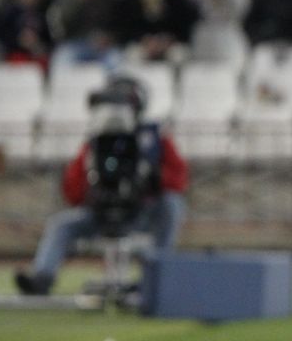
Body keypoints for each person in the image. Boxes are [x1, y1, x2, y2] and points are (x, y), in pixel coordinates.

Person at [14, 77, 188, 296]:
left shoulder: (155, 139)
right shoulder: (95, 143)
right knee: (62, 225)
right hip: (101, 213)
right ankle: (42, 278)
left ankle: (157, 278)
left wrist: (152, 177)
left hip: (141, 211)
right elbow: (74, 192)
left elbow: (179, 179)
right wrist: (93, 184)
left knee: (172, 205)